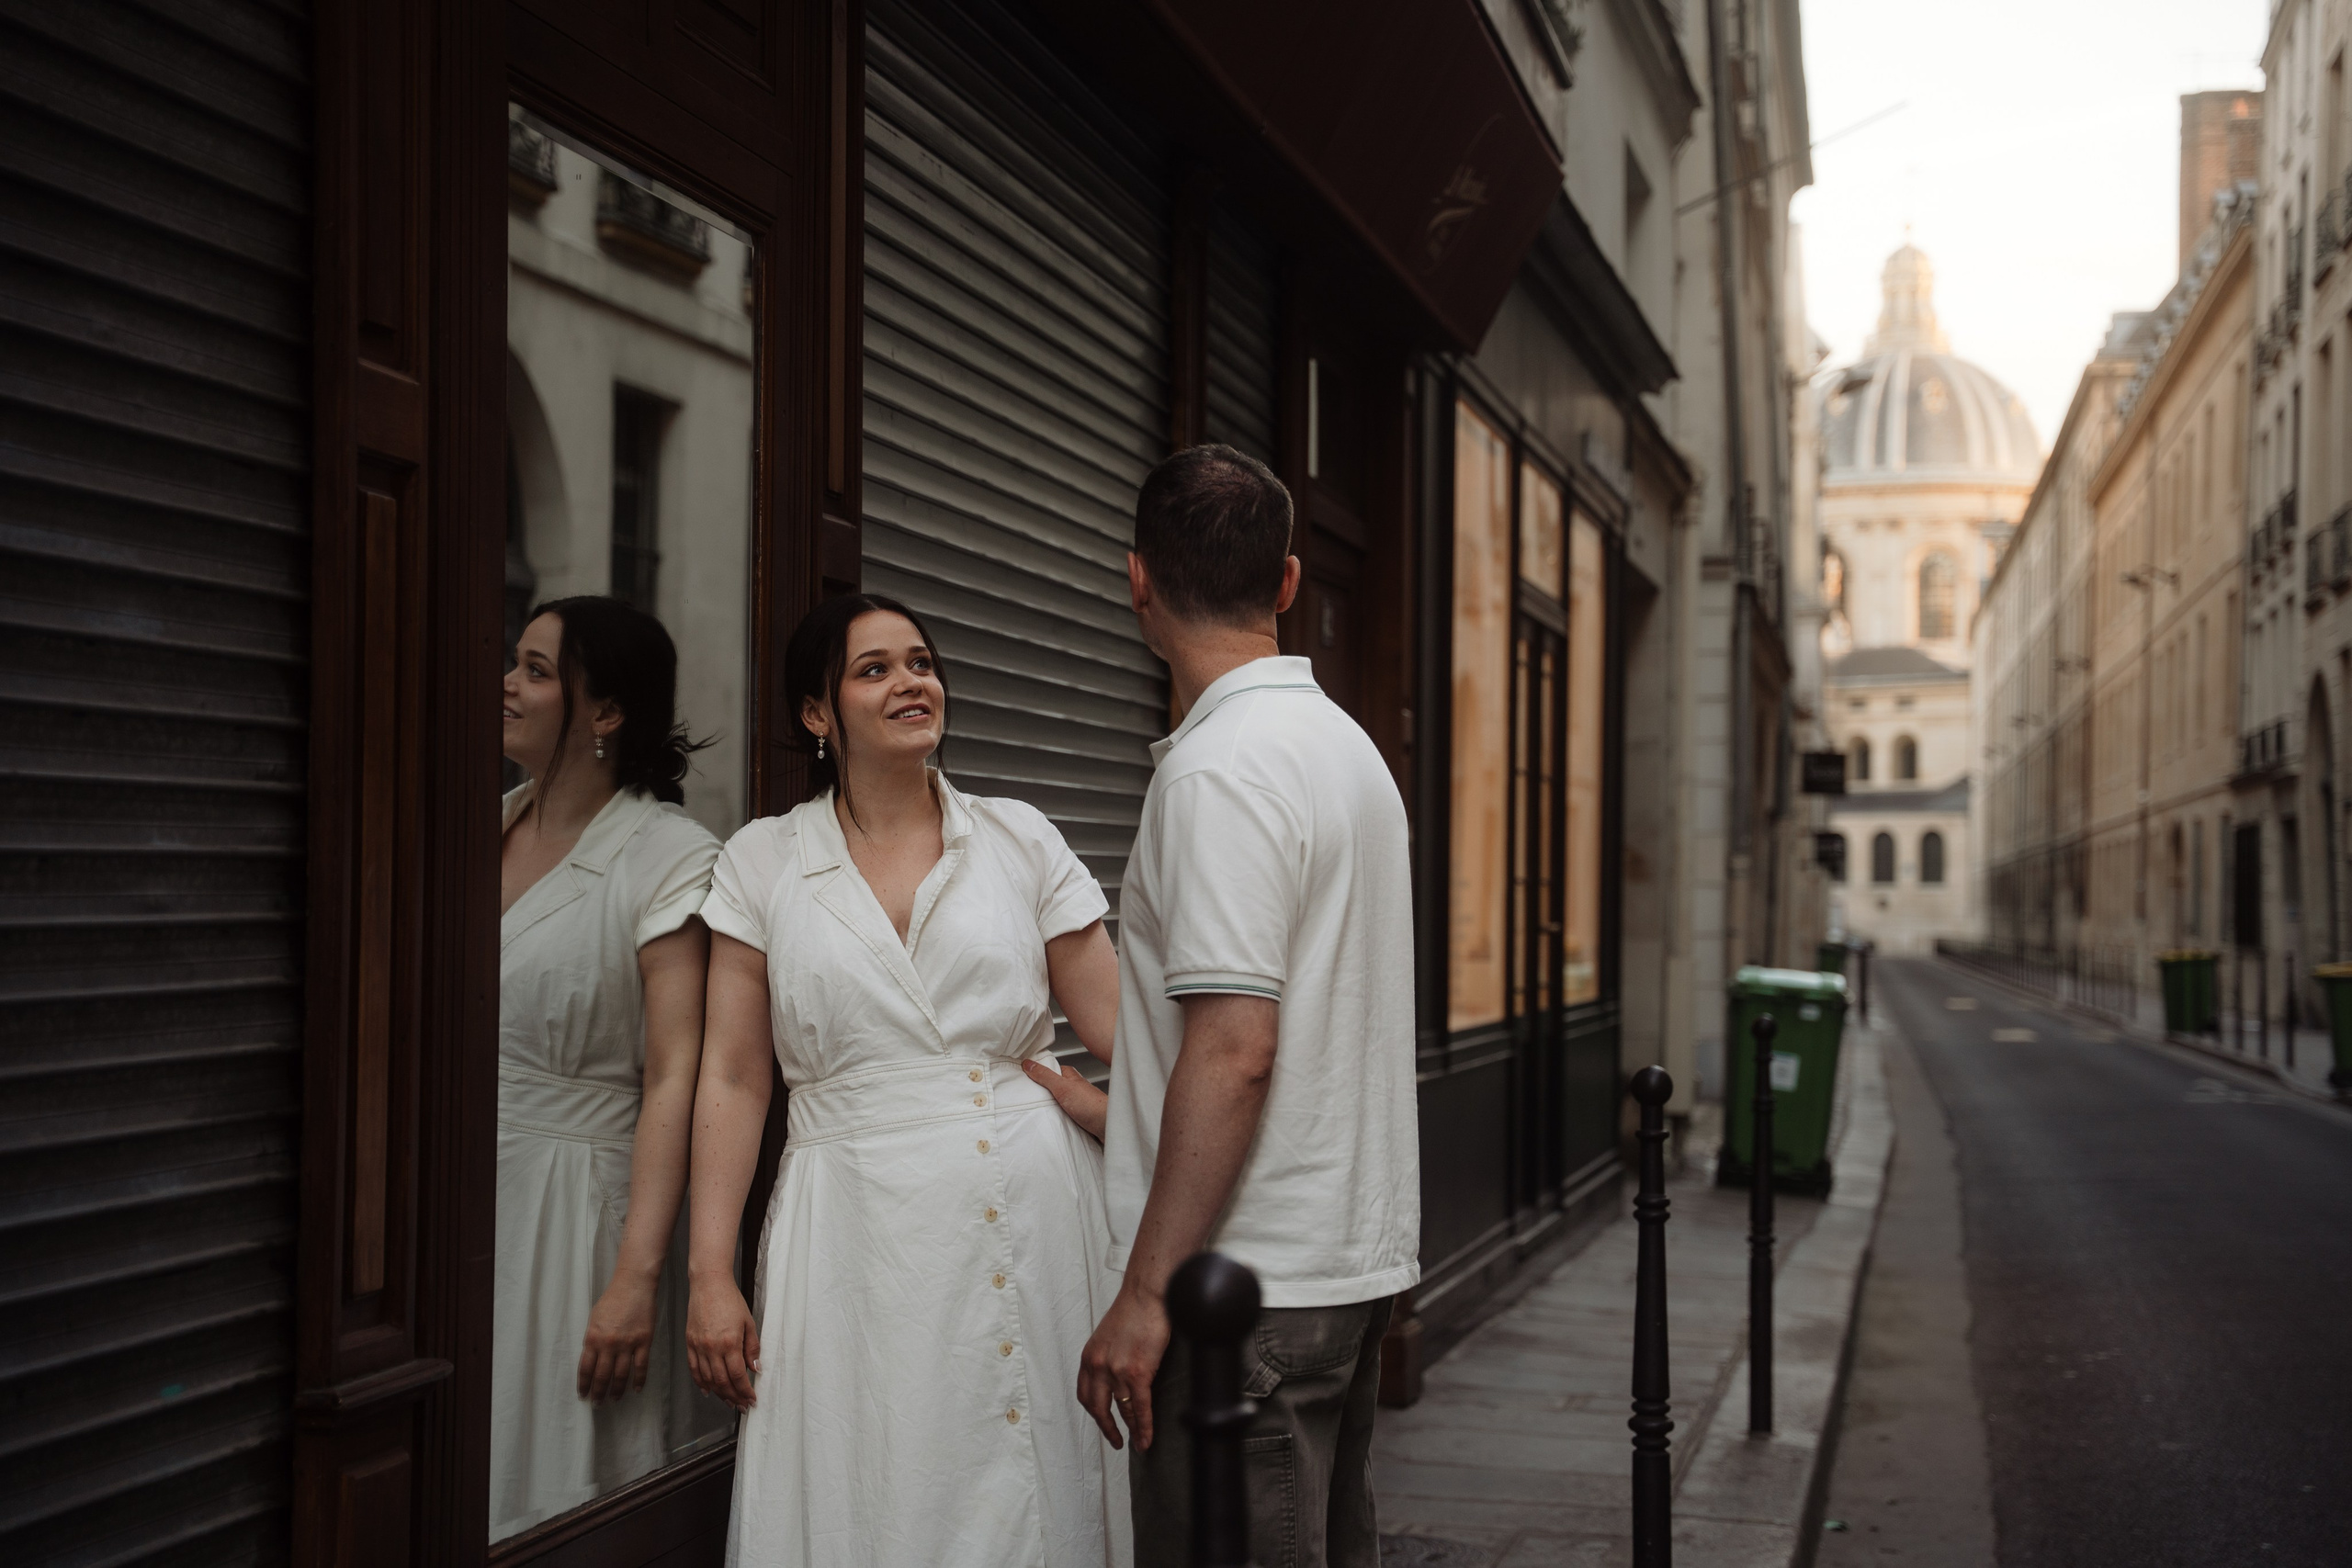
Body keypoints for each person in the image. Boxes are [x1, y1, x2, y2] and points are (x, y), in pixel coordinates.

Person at [685, 592, 1132, 1568]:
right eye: (874, 668)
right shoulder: (763, 860)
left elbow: (1127, 1042)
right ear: (817, 714)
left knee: (1030, 1481)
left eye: (921, 662)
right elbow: (730, 1076)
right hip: (851, 1222)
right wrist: (709, 1272)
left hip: (1028, 1201)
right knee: (876, 1478)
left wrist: (1098, 1110)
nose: (910, 682)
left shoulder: (1017, 838)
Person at [1049, 444, 1420, 1568]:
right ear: (1289, 583)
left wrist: (1145, 1292)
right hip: (1340, 1267)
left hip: (1245, 1293)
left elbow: (1237, 1048)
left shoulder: (1219, 771)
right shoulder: (1343, 749)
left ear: (1137, 581)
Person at [492, 596, 733, 1540]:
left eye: (538, 670)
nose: (508, 684)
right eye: (515, 662)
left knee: (558, 1472)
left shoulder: (667, 857)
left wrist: (636, 1277)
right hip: (463, 1204)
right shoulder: (486, 824)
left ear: (607, 713)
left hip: (580, 1206)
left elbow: (678, 1074)